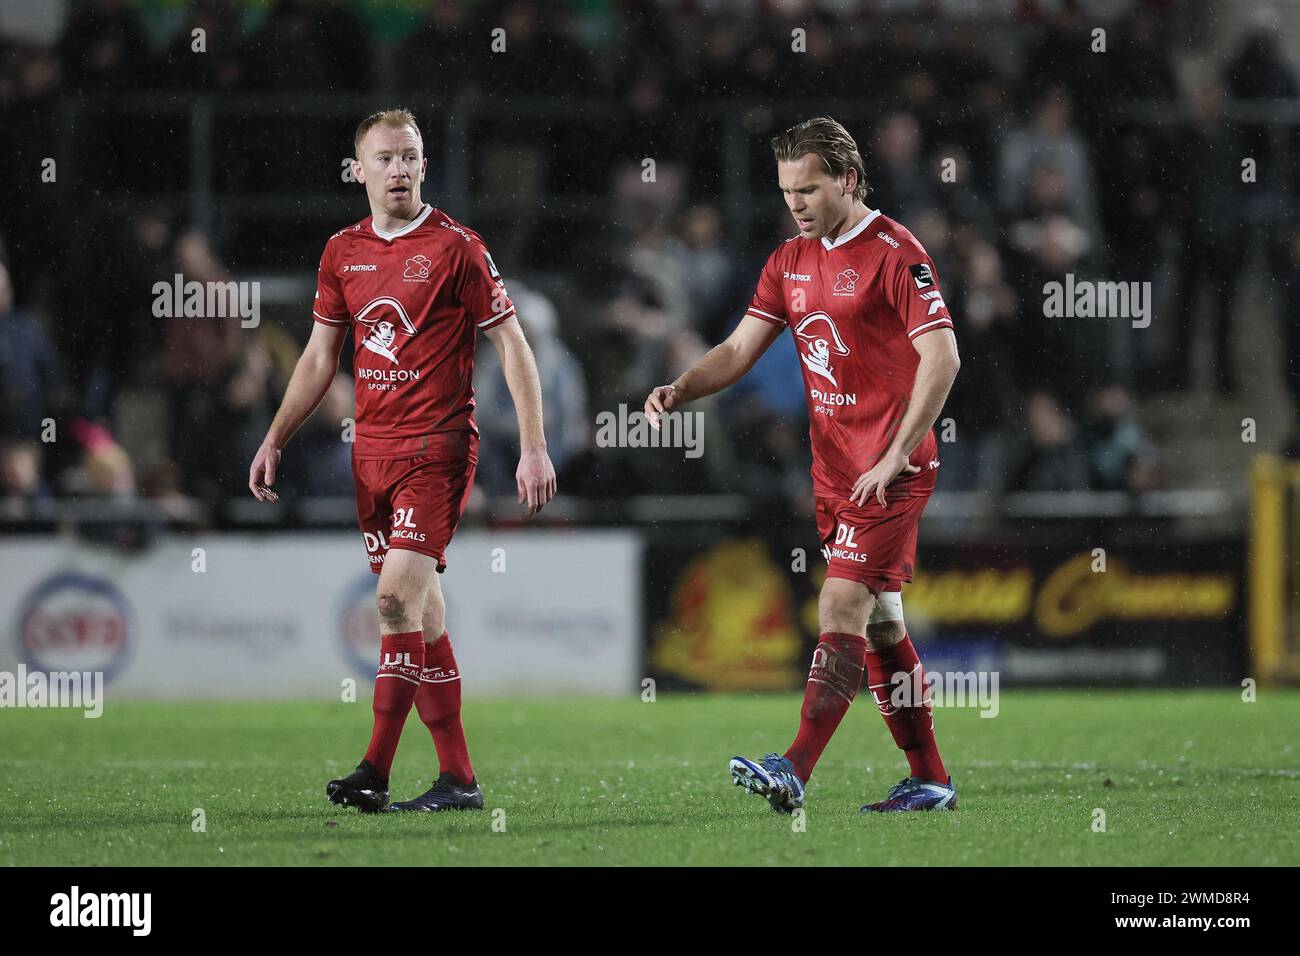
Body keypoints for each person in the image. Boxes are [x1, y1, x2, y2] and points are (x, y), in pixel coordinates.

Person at [644, 117, 961, 814]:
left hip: (892, 467)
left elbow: (944, 357)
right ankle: (931, 779)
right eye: (788, 190)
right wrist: (682, 388)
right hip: (836, 471)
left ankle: (793, 768)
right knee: (882, 625)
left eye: (809, 188)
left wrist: (899, 452)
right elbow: (736, 350)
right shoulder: (789, 260)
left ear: (847, 179)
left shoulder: (895, 252)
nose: (796, 202)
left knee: (840, 602)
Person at [249, 109, 556, 813]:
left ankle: (374, 770)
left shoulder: (458, 248)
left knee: (392, 601)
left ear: (425, 165)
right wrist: (274, 438)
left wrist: (534, 445)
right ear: (358, 169)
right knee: (425, 620)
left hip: (438, 450)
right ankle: (459, 780)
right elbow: (320, 356)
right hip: (372, 454)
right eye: (385, 158)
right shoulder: (342, 253)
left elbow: (512, 345)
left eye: (411, 157)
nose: (399, 170)